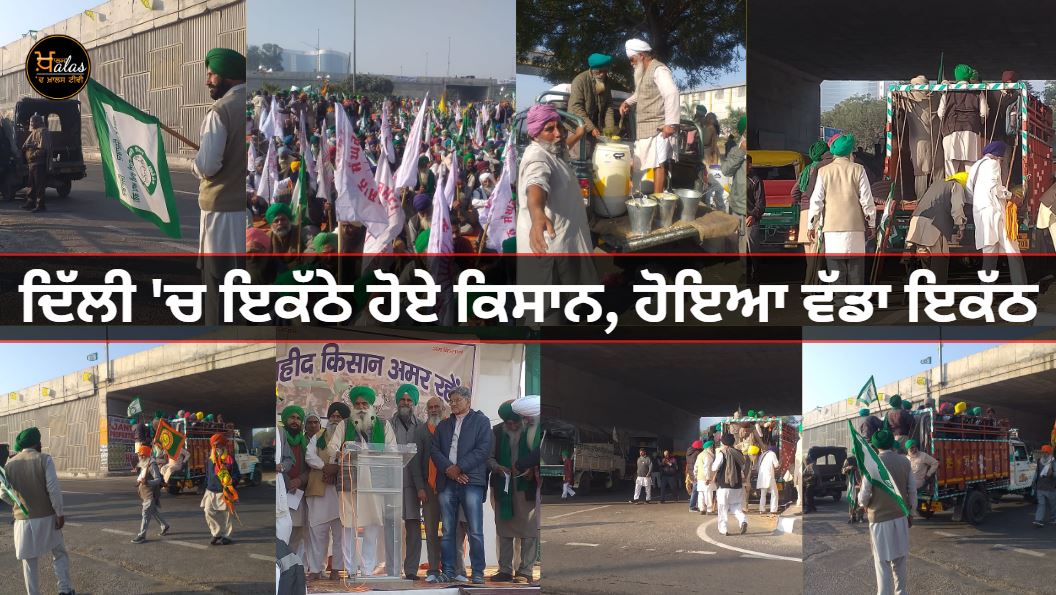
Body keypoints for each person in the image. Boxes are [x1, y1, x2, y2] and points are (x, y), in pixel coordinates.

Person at [196, 48, 247, 325]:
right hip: (246, 212)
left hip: (222, 212)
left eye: (211, 75)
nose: (208, 81)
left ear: (227, 76)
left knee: (218, 282)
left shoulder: (221, 110)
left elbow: (208, 166)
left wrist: (196, 163)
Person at [325, 386, 397, 578]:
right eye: (357, 404)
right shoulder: (345, 424)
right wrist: (344, 449)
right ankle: (350, 570)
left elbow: (393, 449)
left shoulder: (384, 424)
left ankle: (367, 570)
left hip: (375, 480)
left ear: (371, 405)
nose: (361, 407)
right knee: (348, 526)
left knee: (372, 525)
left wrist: (377, 453)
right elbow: (332, 448)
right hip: (350, 479)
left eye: (365, 403)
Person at [429, 386, 493, 584]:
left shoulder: (481, 421)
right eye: (451, 401)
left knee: (475, 529)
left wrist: (460, 468)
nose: (453, 404)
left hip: (471, 481)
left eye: (457, 400)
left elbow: (483, 450)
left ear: (468, 401)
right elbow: (434, 450)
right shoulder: (444, 425)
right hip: (447, 481)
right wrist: (450, 469)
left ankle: (478, 572)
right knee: (448, 530)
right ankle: (447, 570)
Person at [1, 428, 75, 595]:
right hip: (47, 518)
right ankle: (64, 589)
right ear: (36, 443)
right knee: (59, 553)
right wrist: (60, 514)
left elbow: (3, 493)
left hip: (22, 521)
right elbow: (54, 490)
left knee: (29, 562)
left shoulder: (9, 464)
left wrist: (18, 505)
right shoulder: (44, 459)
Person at [517, 103, 591, 257]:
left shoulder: (551, 148)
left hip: (569, 240)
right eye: (549, 129)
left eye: (559, 127)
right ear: (534, 135)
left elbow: (564, 146)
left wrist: (578, 134)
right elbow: (536, 184)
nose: (558, 134)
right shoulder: (536, 158)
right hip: (552, 247)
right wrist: (537, 215)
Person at [807, 132, 876, 289]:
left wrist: (811, 225)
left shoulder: (824, 171)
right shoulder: (858, 169)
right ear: (850, 152)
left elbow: (816, 201)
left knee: (836, 268)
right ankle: (856, 301)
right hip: (855, 228)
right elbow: (867, 200)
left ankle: (840, 301)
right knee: (856, 268)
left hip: (831, 229)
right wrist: (871, 223)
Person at [487, 401, 539, 583]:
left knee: (529, 528)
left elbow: (539, 454)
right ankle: (505, 570)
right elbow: (489, 457)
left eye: (515, 422)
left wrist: (532, 469)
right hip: (503, 486)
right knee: (504, 528)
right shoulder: (497, 431)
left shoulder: (532, 430)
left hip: (527, 487)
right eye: (508, 423)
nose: (513, 426)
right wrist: (497, 467)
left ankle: (525, 570)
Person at [859, 430, 915, 595]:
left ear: (875, 446)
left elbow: (864, 495)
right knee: (900, 560)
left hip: (879, 519)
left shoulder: (872, 464)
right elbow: (912, 491)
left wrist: (863, 504)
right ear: (892, 443)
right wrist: (911, 512)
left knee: (881, 562)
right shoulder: (905, 461)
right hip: (901, 516)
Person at [620, 38, 679, 193]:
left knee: (658, 164)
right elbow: (640, 94)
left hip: (659, 127)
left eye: (632, 59)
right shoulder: (644, 72)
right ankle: (637, 197)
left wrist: (671, 124)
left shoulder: (659, 70)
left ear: (641, 55)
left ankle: (658, 202)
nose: (630, 63)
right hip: (645, 128)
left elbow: (671, 93)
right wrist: (627, 102)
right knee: (639, 162)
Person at [967, 140, 1027, 285]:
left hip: (981, 216)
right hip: (995, 214)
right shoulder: (993, 164)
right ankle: (1021, 293)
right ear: (998, 156)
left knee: (989, 257)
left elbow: (969, 192)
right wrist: (1012, 197)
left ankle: (985, 297)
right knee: (1013, 252)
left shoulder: (974, 167)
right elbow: (996, 189)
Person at [305, 404, 346, 580]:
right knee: (318, 532)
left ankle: (336, 569)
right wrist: (326, 468)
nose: (335, 419)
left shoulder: (349, 436)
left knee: (340, 534)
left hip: (341, 491)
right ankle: (315, 569)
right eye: (332, 416)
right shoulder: (318, 437)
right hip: (320, 489)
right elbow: (309, 456)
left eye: (339, 417)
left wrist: (336, 468)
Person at [906, 173, 970, 284]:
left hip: (916, 222)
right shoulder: (957, 186)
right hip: (933, 225)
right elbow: (957, 208)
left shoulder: (936, 184)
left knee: (926, 261)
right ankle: (937, 296)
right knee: (939, 263)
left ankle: (929, 293)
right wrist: (961, 227)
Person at [410, 396, 446, 583]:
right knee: (431, 531)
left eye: (437, 406)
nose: (434, 409)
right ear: (427, 410)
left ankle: (449, 567)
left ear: (443, 408)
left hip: (448, 488)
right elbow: (415, 463)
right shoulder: (421, 431)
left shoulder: (449, 428)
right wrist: (420, 488)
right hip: (429, 488)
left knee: (450, 530)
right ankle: (433, 569)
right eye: (430, 407)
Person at [390, 384, 424, 580]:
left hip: (413, 485)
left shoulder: (421, 426)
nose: (405, 403)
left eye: (409, 400)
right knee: (390, 527)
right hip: (390, 483)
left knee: (412, 528)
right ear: (397, 402)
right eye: (402, 400)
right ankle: (392, 569)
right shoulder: (386, 425)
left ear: (414, 404)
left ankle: (411, 570)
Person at [938, 64, 986, 176]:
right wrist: (980, 121)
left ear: (956, 77)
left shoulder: (948, 90)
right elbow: (984, 113)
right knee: (971, 171)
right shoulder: (977, 91)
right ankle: (969, 193)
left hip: (951, 131)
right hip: (971, 131)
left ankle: (952, 191)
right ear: (969, 77)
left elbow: (940, 113)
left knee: (951, 171)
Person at [902, 75, 939, 198]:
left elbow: (898, 93)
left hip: (919, 143)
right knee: (939, 172)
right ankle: (940, 199)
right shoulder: (937, 96)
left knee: (921, 173)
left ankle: (921, 203)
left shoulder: (911, 98)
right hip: (937, 142)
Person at [279, 405, 309, 561]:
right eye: (292, 417)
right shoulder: (280, 436)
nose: (295, 421)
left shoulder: (305, 442)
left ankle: (290, 566)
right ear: (285, 419)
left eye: (298, 418)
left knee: (296, 530)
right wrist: (286, 480)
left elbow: (310, 467)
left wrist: (299, 480)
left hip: (297, 493)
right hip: (280, 490)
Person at [568, 53, 617, 147]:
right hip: (577, 130)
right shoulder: (579, 80)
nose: (602, 74)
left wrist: (610, 129)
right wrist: (591, 128)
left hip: (596, 131)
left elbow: (608, 106)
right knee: (580, 159)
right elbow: (576, 107)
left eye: (605, 71)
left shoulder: (606, 81)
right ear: (593, 69)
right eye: (599, 71)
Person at [202, 432, 240, 545]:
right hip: (210, 490)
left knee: (227, 515)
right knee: (207, 511)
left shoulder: (229, 459)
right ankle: (216, 533)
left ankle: (227, 536)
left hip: (224, 491)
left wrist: (231, 484)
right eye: (213, 444)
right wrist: (205, 486)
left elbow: (237, 475)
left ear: (223, 444)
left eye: (217, 444)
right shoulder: (210, 459)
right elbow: (208, 474)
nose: (215, 446)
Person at [130, 444, 170, 544]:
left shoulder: (152, 464)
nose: (141, 456)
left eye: (143, 455)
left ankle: (141, 535)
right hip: (144, 493)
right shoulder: (144, 463)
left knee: (145, 514)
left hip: (150, 494)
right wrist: (139, 482)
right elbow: (142, 475)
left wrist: (147, 482)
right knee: (153, 511)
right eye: (140, 455)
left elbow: (158, 479)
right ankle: (164, 526)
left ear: (147, 455)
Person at [723, 117, 748, 267]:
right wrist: (741, 152)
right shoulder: (736, 150)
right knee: (741, 243)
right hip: (740, 205)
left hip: (755, 207)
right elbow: (726, 170)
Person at [713, 433, 748, 535]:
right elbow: (743, 468)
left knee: (722, 509)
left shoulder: (722, 453)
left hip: (724, 487)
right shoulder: (739, 453)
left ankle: (724, 529)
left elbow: (714, 468)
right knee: (736, 507)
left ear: (723, 442)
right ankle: (743, 520)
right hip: (737, 486)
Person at [20, 113, 50, 213]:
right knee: (31, 185)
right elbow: (26, 145)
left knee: (39, 185)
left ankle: (40, 206)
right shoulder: (34, 131)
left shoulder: (42, 132)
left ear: (39, 122)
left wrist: (33, 155)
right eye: (31, 121)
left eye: (33, 121)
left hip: (38, 163)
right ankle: (30, 203)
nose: (31, 123)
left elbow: (43, 149)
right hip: (32, 163)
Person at [745, 154, 766, 282]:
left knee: (753, 249)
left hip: (751, 221)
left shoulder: (755, 180)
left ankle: (757, 275)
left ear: (750, 165)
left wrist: (753, 215)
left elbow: (761, 204)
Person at [1033, 445, 1055, 528]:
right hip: (1040, 487)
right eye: (1043, 452)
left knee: (1053, 505)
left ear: (1049, 453)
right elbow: (1037, 472)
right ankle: (1038, 520)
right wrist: (1033, 482)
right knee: (1041, 504)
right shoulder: (1039, 461)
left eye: (1046, 452)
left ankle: (1054, 518)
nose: (1044, 453)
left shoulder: (1053, 462)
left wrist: (1052, 474)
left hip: (1051, 488)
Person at [756, 442, 780, 514]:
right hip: (769, 477)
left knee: (763, 494)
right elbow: (776, 465)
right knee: (774, 493)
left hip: (762, 477)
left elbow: (758, 467)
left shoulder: (762, 456)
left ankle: (762, 509)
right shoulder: (772, 454)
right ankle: (773, 510)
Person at [695, 440, 717, 515]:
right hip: (706, 478)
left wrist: (695, 475)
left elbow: (696, 467)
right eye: (711, 447)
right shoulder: (708, 456)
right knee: (708, 494)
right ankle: (709, 510)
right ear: (709, 448)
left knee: (701, 494)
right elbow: (706, 467)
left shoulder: (700, 455)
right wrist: (707, 478)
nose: (712, 448)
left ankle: (702, 509)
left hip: (699, 478)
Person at [842, 456, 864, 523]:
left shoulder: (862, 457)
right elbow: (843, 470)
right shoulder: (848, 460)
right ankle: (852, 516)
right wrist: (849, 468)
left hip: (861, 483)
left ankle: (860, 516)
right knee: (852, 500)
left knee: (860, 499)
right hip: (851, 483)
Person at [685, 440, 702, 512]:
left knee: (695, 490)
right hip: (696, 474)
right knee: (695, 491)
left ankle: (694, 506)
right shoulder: (697, 453)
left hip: (691, 473)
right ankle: (692, 507)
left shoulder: (689, 452)